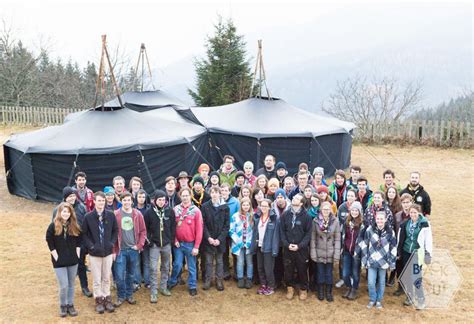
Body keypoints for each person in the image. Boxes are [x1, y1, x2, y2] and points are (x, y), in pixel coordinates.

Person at [82, 192, 118, 314]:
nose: (101, 203)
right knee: (97, 278)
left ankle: (107, 297)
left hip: (107, 252)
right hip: (94, 253)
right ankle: (98, 299)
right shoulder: (88, 217)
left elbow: (115, 231)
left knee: (106, 277)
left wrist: (112, 243)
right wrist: (91, 246)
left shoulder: (111, 215)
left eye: (103, 201)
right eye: (99, 200)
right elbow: (84, 234)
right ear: (94, 201)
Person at [52, 187, 90, 297]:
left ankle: (84, 287)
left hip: (79, 243)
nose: (72, 198)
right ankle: (67, 288)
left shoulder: (82, 207)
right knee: (66, 267)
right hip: (64, 245)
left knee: (81, 265)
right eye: (69, 196)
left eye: (73, 195)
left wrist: (84, 244)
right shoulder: (58, 210)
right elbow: (54, 228)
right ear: (65, 198)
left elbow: (85, 226)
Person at [46, 202, 82, 317]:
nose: (66, 214)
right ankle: (63, 305)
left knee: (71, 284)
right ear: (60, 213)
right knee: (64, 285)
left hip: (72, 260)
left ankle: (70, 305)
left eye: (68, 212)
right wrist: (55, 255)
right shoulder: (53, 226)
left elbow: (79, 240)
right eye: (64, 211)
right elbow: (49, 239)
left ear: (71, 213)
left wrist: (77, 254)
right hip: (59, 261)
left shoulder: (74, 225)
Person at [113, 192, 147, 307]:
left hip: (133, 249)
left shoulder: (137, 214)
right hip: (120, 250)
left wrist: (139, 245)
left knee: (131, 274)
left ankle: (129, 294)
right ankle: (121, 295)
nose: (126, 202)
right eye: (124, 200)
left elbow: (143, 231)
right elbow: (112, 233)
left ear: (132, 201)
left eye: (128, 200)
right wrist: (114, 249)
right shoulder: (116, 214)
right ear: (121, 201)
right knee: (119, 275)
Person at [358, 210, 397, 310]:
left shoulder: (390, 232)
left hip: (384, 262)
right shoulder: (369, 230)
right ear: (375, 219)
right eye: (378, 219)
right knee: (371, 282)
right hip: (371, 261)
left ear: (385, 220)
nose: (379, 221)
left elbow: (393, 248)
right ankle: (372, 299)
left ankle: (379, 300)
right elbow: (364, 245)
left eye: (381, 219)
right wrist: (364, 260)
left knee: (381, 282)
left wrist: (392, 263)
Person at [168, 187, 203, 296]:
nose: (185, 198)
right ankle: (172, 281)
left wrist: (196, 246)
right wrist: (175, 240)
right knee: (177, 264)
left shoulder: (196, 210)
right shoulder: (175, 209)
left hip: (190, 243)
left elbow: (199, 229)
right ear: (180, 196)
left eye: (187, 195)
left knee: (191, 266)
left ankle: (192, 285)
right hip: (178, 244)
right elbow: (171, 227)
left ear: (190, 196)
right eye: (183, 196)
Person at [397, 204, 433, 309]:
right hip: (406, 252)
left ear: (419, 213)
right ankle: (410, 296)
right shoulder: (405, 224)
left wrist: (428, 253)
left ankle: (421, 299)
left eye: (415, 213)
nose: (413, 214)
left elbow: (428, 240)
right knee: (407, 276)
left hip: (417, 254)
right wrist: (398, 252)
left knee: (416, 277)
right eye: (411, 212)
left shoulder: (425, 224)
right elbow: (400, 239)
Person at [143, 190, 176, 303]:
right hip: (154, 245)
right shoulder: (149, 212)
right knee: (153, 268)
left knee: (166, 266)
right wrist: (150, 241)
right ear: (155, 200)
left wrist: (170, 240)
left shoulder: (170, 211)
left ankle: (163, 287)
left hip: (166, 244)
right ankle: (153, 291)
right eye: (159, 200)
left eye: (163, 200)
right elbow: (145, 229)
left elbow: (173, 227)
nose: (161, 202)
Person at [280, 194, 312, 301]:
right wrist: (286, 244)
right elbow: (282, 231)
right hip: (288, 248)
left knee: (302, 269)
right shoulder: (285, 215)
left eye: (297, 198)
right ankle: (290, 288)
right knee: (288, 269)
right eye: (294, 198)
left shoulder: (306, 216)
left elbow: (308, 234)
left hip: (301, 249)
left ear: (301, 203)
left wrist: (299, 246)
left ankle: (303, 289)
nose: (294, 198)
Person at [310, 201, 341, 302]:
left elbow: (337, 239)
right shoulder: (315, 221)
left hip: (331, 252)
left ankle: (328, 292)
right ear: (321, 210)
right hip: (319, 252)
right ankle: (320, 291)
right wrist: (313, 253)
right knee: (320, 273)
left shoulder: (335, 221)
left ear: (330, 210)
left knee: (329, 273)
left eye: (328, 209)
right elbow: (313, 239)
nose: (326, 211)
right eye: (324, 209)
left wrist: (336, 255)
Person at [201, 186, 230, 291]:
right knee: (208, 261)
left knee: (219, 261)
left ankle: (219, 281)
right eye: (212, 192)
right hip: (208, 239)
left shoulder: (225, 207)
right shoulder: (204, 207)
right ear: (210, 194)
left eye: (216, 192)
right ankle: (208, 280)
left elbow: (226, 226)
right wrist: (208, 237)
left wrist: (220, 239)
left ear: (220, 194)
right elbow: (203, 224)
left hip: (220, 240)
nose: (214, 194)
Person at [251, 199, 280, 296]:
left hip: (269, 247)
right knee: (260, 267)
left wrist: (275, 249)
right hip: (259, 246)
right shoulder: (257, 217)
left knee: (268, 268)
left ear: (269, 207)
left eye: (265, 206)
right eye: (262, 206)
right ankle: (263, 285)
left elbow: (276, 236)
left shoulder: (274, 219)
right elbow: (255, 232)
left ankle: (271, 286)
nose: (263, 208)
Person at [229, 197, 254, 289]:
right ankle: (240, 278)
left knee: (249, 262)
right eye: (244, 205)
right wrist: (238, 241)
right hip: (238, 243)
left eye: (247, 205)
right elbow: (231, 230)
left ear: (250, 206)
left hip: (249, 243)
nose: (246, 206)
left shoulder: (252, 216)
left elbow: (254, 231)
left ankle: (249, 279)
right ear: (241, 205)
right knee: (240, 261)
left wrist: (249, 242)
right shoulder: (235, 216)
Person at [341, 201, 363, 301]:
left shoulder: (362, 224)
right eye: (353, 210)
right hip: (346, 251)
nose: (354, 212)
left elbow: (363, 239)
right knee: (345, 273)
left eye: (356, 210)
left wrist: (358, 251)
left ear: (359, 211)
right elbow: (343, 235)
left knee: (355, 272)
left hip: (356, 253)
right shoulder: (346, 221)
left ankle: (354, 289)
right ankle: (349, 287)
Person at [392, 193, 413, 295]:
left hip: (409, 247)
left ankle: (408, 290)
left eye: (408, 202)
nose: (406, 205)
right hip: (398, 246)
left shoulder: (415, 216)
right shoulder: (397, 216)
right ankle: (400, 287)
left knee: (408, 269)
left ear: (411, 203)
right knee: (399, 268)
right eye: (404, 202)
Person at [271, 189, 290, 288]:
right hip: (276, 238)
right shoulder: (272, 208)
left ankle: (286, 281)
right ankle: (277, 280)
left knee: (286, 261)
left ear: (285, 197)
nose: (279, 200)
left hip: (287, 238)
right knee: (277, 260)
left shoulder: (290, 208)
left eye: (281, 197)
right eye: (277, 198)